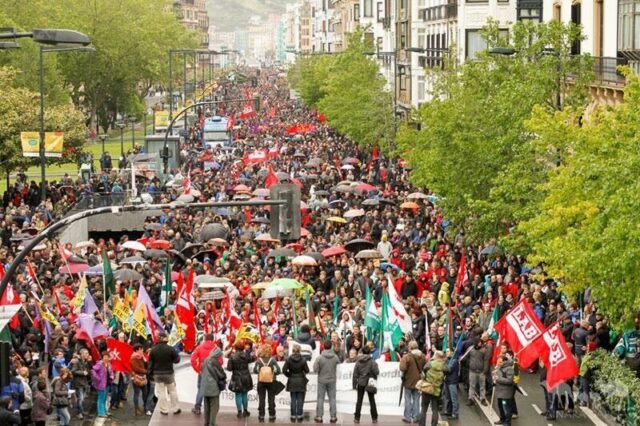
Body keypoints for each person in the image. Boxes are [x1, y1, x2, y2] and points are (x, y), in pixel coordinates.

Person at [149, 331, 181, 415]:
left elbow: (150, 363)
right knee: (172, 391)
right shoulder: (170, 349)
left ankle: (164, 410)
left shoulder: (153, 349)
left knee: (161, 392)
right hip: (169, 373)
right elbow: (177, 360)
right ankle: (175, 408)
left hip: (157, 374)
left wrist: (150, 374)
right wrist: (172, 360)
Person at [419, 350, 449, 426]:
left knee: (424, 409)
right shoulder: (444, 366)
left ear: (436, 356)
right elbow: (448, 371)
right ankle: (434, 424)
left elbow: (424, 370)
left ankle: (422, 424)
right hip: (437, 389)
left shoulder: (430, 364)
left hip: (427, 388)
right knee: (435, 409)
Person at [313, 339, 340, 424]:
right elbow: (339, 365)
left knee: (320, 398)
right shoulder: (335, 357)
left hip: (322, 380)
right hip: (332, 380)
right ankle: (333, 416)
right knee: (332, 398)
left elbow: (315, 369)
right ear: (331, 347)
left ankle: (319, 416)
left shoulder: (319, 358)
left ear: (323, 347)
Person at [399, 340, 426, 423]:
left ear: (410, 347)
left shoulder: (407, 357)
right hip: (418, 381)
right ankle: (416, 417)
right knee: (417, 399)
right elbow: (425, 367)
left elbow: (402, 368)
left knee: (407, 399)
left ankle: (407, 417)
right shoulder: (423, 356)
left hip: (408, 381)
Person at [254, 343, 281, 422]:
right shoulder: (273, 360)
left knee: (261, 399)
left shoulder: (259, 360)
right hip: (271, 381)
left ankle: (261, 415)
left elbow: (255, 371)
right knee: (271, 399)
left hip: (261, 381)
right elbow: (278, 371)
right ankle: (272, 414)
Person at [191, 333, 217, 415]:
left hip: (202, 371)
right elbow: (221, 361)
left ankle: (197, 407)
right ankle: (211, 409)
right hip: (212, 371)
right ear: (212, 339)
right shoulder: (216, 348)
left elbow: (192, 360)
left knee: (201, 389)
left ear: (205, 338)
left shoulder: (199, 347)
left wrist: (198, 370)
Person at [352, 345, 379, 424]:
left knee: (359, 401)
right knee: (372, 400)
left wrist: (354, 385)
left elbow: (355, 374)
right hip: (370, 382)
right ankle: (374, 418)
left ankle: (357, 418)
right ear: (369, 352)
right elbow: (377, 372)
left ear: (362, 352)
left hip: (361, 382)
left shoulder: (358, 361)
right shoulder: (372, 361)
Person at [283, 343, 309, 423]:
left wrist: (289, 375)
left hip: (292, 380)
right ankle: (300, 415)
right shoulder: (303, 359)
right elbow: (307, 370)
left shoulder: (288, 359)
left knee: (293, 398)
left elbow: (284, 370)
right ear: (300, 350)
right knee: (300, 399)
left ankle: (293, 415)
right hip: (301, 380)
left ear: (292, 350)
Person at [201, 344, 226, 426]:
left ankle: (206, 422)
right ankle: (212, 423)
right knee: (214, 406)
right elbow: (221, 375)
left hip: (205, 386)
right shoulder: (215, 362)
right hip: (213, 387)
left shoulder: (205, 360)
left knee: (206, 406)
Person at [227, 340, 253, 418]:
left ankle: (239, 412)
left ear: (235, 347)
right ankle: (245, 410)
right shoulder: (246, 355)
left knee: (238, 395)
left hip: (237, 377)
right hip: (246, 377)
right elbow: (252, 360)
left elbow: (229, 368)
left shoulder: (232, 356)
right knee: (245, 394)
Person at [69, 348, 91, 420]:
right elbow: (73, 371)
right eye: (86, 353)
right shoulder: (77, 362)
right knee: (80, 399)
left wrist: (90, 362)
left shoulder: (86, 362)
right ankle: (79, 413)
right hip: (78, 383)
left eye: (87, 353)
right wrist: (82, 373)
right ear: (81, 355)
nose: (87, 355)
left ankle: (81, 410)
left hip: (84, 383)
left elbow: (89, 370)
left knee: (82, 398)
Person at [494, 355, 516, 426]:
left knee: (506, 408)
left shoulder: (509, 369)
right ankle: (502, 419)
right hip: (499, 392)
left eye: (500, 362)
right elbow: (496, 378)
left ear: (504, 362)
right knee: (500, 407)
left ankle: (507, 422)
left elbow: (509, 381)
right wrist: (494, 379)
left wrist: (498, 379)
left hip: (505, 393)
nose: (498, 363)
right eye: (498, 361)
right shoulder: (499, 368)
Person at [467, 339, 489, 406]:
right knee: (472, 386)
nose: (480, 344)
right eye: (479, 343)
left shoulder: (484, 350)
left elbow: (486, 360)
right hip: (472, 371)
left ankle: (482, 399)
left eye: (481, 343)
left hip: (481, 371)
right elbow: (467, 357)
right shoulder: (470, 349)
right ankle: (471, 399)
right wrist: (469, 365)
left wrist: (485, 370)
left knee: (482, 386)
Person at [130, 343, 149, 416]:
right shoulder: (134, 358)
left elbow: (145, 365)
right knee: (136, 394)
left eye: (142, 349)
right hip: (137, 377)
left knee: (145, 393)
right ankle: (136, 409)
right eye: (141, 349)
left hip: (143, 377)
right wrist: (146, 371)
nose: (142, 350)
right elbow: (136, 368)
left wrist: (144, 359)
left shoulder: (141, 357)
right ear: (137, 350)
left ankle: (145, 406)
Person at [91, 352, 112, 418]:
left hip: (107, 383)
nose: (106, 358)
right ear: (102, 357)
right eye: (104, 357)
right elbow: (93, 370)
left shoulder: (109, 364)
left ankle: (105, 411)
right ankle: (101, 413)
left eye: (107, 357)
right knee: (101, 398)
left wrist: (112, 376)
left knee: (105, 399)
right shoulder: (100, 364)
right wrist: (98, 378)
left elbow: (111, 372)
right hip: (101, 384)